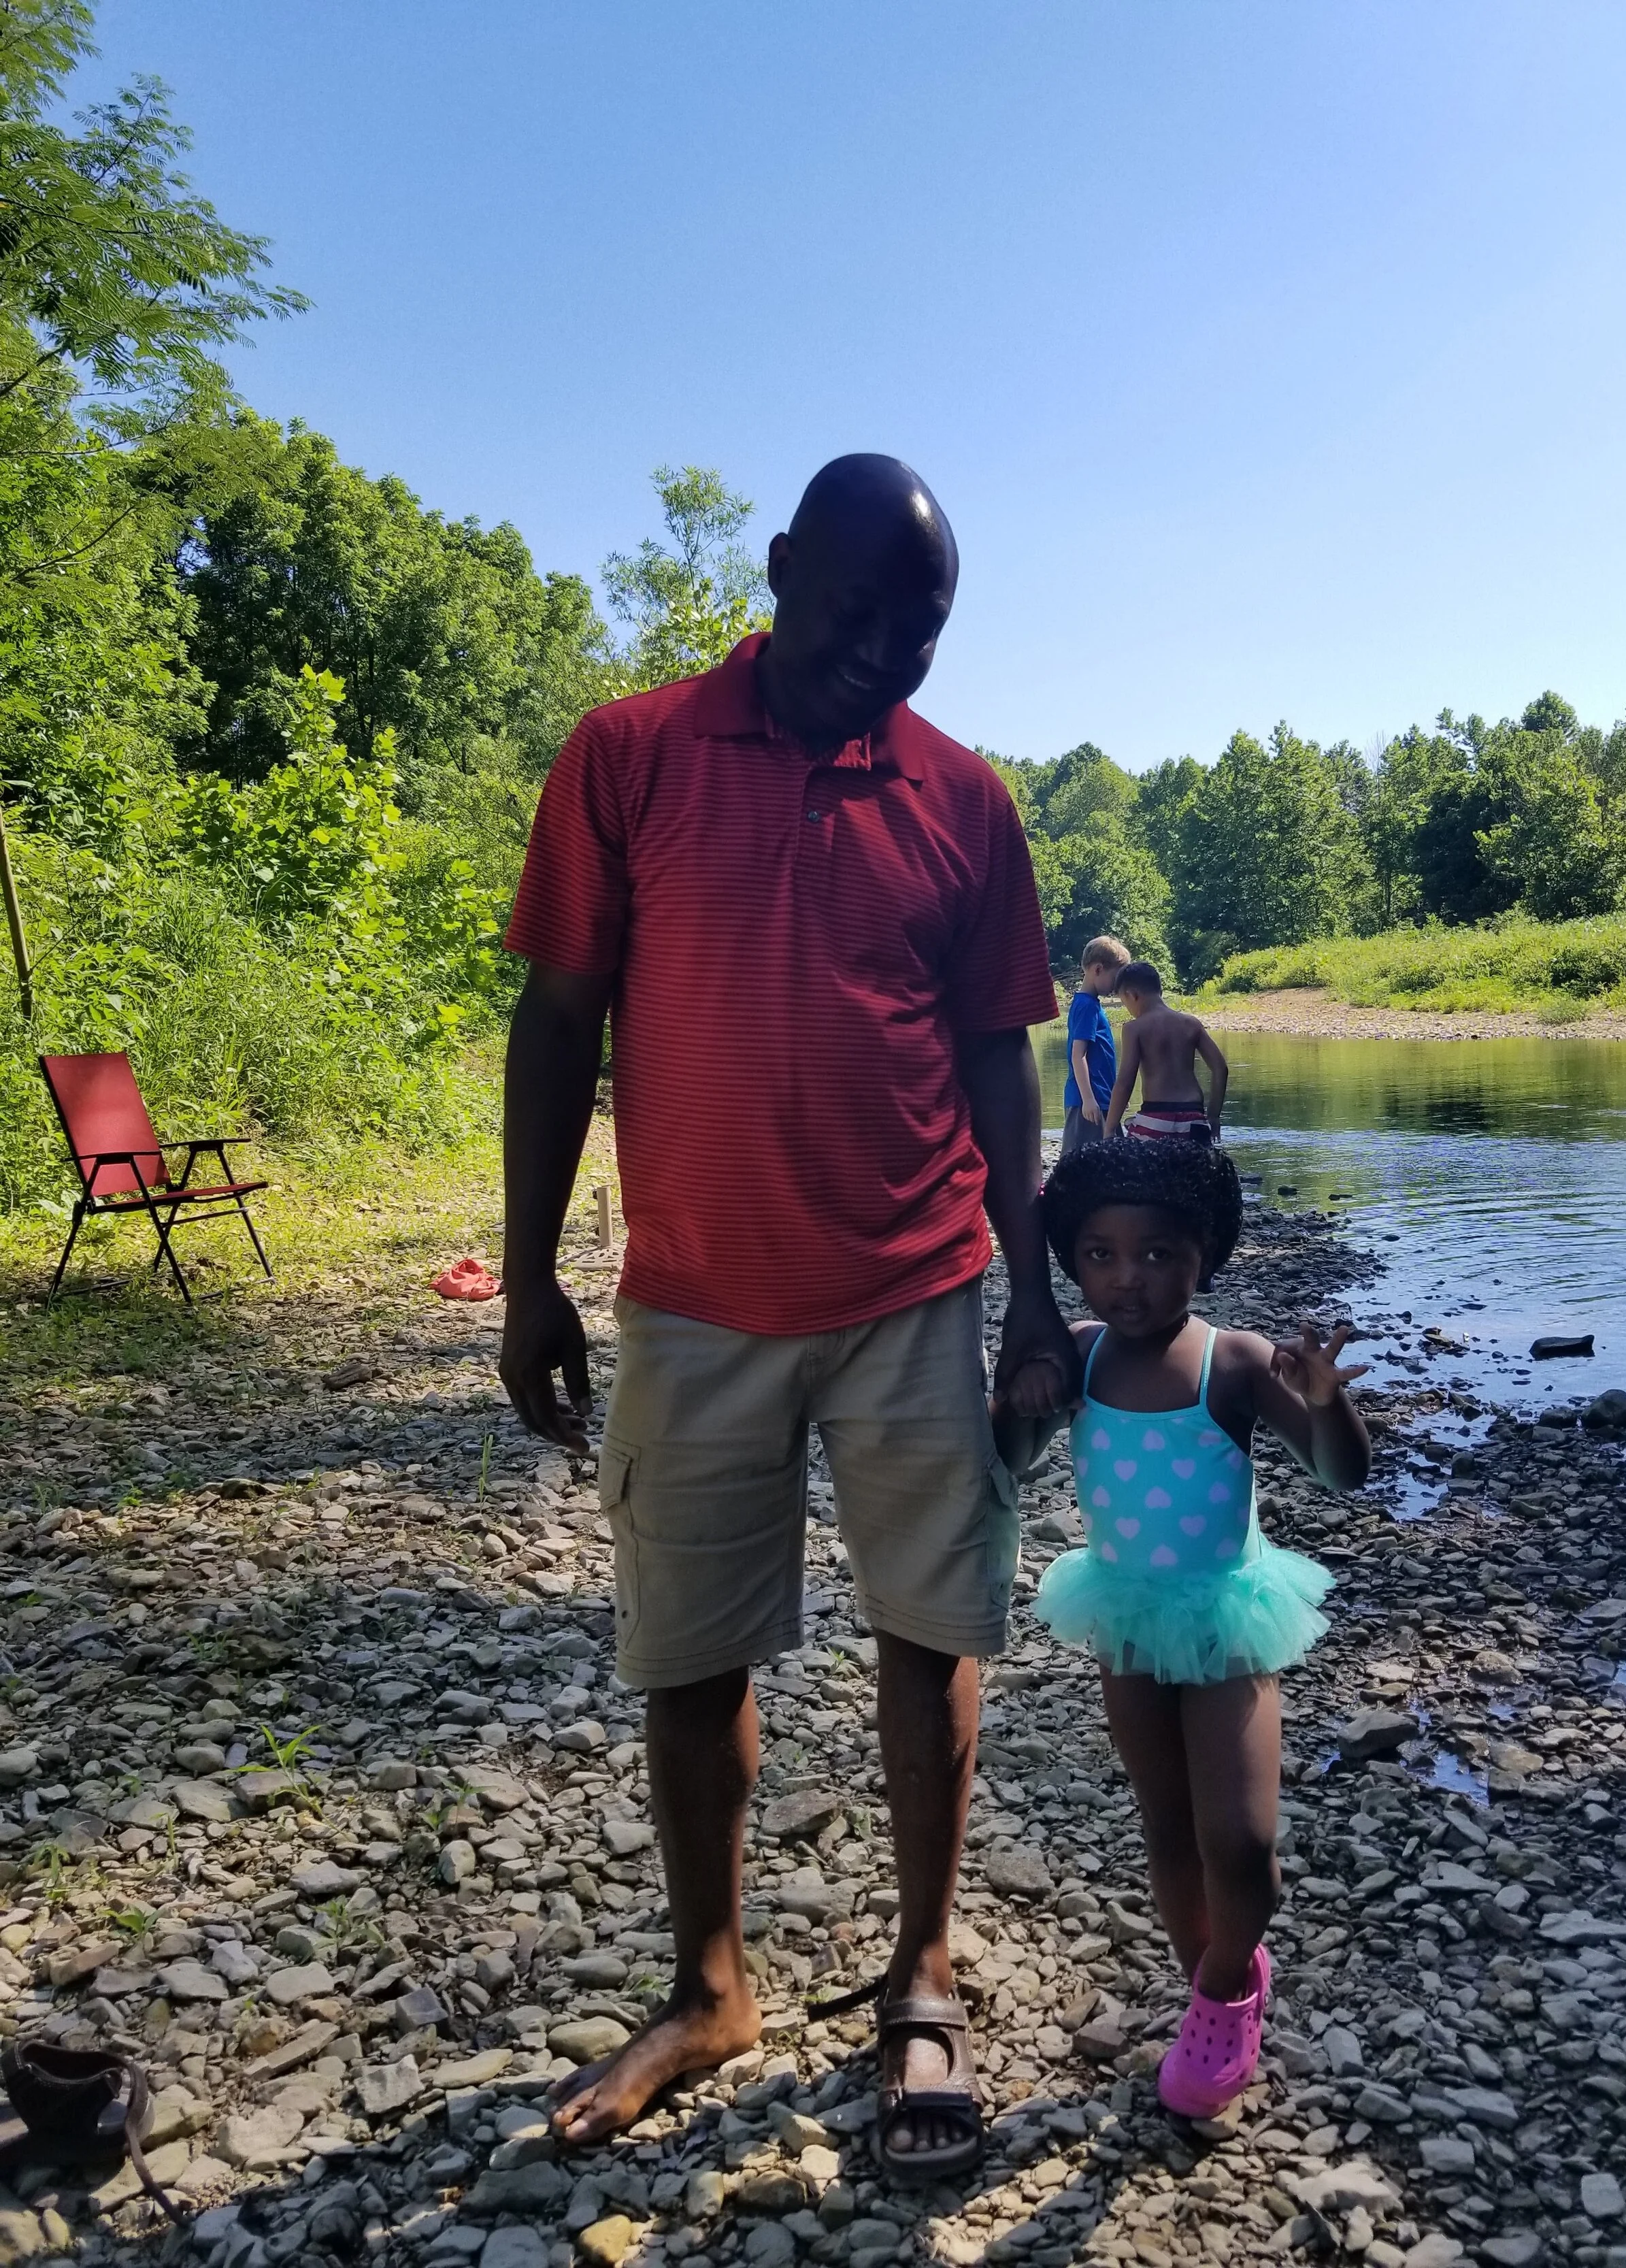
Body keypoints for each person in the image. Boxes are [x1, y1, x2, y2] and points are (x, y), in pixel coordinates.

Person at [499, 454, 1076, 2178]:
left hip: (919, 1285)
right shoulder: (630, 754)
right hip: (694, 1293)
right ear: (776, 572)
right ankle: (711, 1987)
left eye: (922, 628)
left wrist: (1033, 1297)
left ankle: (921, 1970)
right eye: (856, 611)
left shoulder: (964, 799)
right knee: (691, 1653)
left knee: (932, 1631)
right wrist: (526, 1275)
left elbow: (996, 1055)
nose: (884, 651)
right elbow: (558, 1019)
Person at [1014, 1138, 1368, 2118]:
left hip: (1226, 1618)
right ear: (1072, 1260)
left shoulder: (1234, 1362)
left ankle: (1224, 1986)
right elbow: (1008, 1455)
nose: (1128, 1277)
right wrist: (1019, 1397)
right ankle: (1207, 1984)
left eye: (1158, 1254)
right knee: (1168, 1825)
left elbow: (1342, 1474)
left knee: (1242, 1843)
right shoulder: (1079, 1353)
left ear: (1202, 1258)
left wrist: (1329, 1404)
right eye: (1101, 1254)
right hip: (1126, 1615)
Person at [1103, 961, 1229, 1143]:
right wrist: (1214, 1116)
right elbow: (1221, 1068)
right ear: (1159, 990)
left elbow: (1125, 1082)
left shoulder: (1134, 1029)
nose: (1128, 1009)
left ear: (1132, 995)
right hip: (1194, 1118)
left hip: (1156, 1116)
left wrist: (1109, 1129)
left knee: (1139, 1158)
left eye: (1124, 1002)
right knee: (1195, 1162)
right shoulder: (1191, 1024)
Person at [1060, 936, 1129, 1155]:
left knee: (1109, 1158)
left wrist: (1115, 1095)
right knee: (1082, 1161)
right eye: (1116, 978)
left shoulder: (1091, 1005)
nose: (1118, 986)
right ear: (1098, 970)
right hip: (1089, 1101)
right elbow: (1078, 1055)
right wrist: (1088, 1099)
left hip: (1102, 1097)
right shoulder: (1087, 1006)